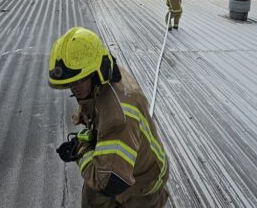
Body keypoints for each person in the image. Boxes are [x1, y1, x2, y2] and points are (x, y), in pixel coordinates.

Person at [48, 27, 169, 207]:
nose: (74, 88)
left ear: (96, 73)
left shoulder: (117, 118)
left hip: (142, 187)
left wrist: (80, 152)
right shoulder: (107, 72)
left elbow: (110, 183)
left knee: (96, 193)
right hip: (139, 166)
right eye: (70, 83)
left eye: (79, 80)